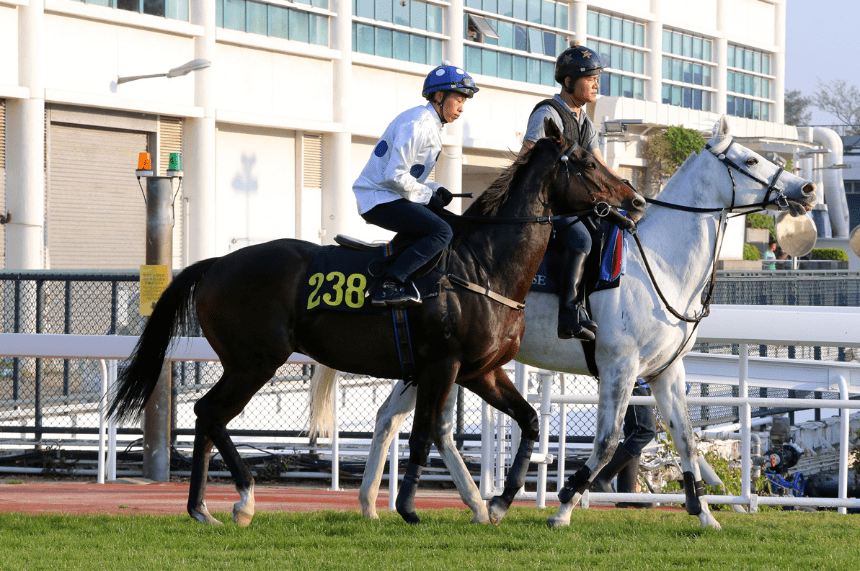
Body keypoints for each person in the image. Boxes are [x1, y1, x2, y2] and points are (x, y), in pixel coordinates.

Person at [353, 62, 479, 307]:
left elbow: (407, 176)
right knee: (442, 231)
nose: (462, 109)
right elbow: (394, 175)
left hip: (390, 194)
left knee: (451, 223)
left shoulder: (429, 123)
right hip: (378, 198)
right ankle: (389, 284)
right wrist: (426, 195)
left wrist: (433, 188)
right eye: (459, 100)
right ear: (439, 96)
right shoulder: (419, 123)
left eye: (464, 102)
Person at [520, 41, 618, 341]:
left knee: (608, 229)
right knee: (581, 236)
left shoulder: (583, 120)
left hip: (569, 204)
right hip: (542, 205)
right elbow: (527, 159)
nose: (596, 84)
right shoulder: (547, 114)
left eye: (596, 78)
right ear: (568, 81)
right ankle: (568, 316)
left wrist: (627, 192)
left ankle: (592, 308)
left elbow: (600, 166)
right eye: (590, 78)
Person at [589, 381, 656, 508]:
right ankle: (602, 476)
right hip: (633, 378)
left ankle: (626, 494)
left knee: (634, 432)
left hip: (645, 379)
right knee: (645, 430)